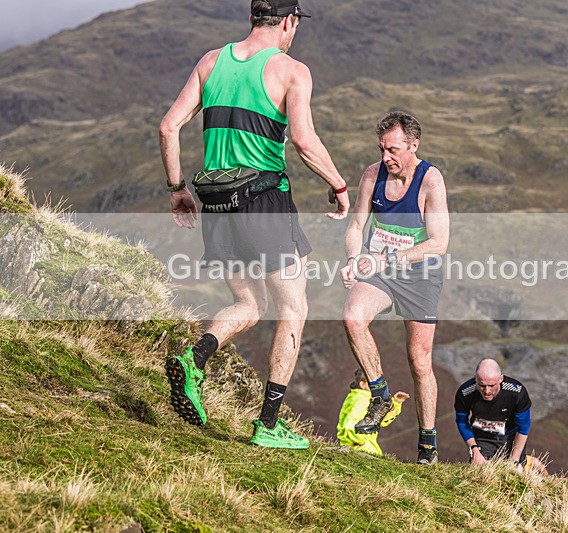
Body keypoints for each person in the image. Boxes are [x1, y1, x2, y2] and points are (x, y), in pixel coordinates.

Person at [158, 0, 350, 449]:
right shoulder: (290, 70)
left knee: (248, 304)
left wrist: (177, 189)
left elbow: (169, 128)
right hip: (264, 201)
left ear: (251, 18)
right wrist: (339, 186)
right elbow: (303, 141)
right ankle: (267, 425)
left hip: (217, 204)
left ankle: (195, 358)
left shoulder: (211, 61)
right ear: (288, 21)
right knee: (293, 309)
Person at [340, 111, 449, 465]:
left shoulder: (431, 180)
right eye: (381, 149)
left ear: (413, 146)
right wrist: (355, 260)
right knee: (353, 318)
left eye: (393, 150)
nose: (385, 158)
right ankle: (380, 394)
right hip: (381, 268)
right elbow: (357, 226)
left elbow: (439, 243)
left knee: (419, 362)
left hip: (419, 273)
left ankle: (428, 447)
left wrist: (386, 259)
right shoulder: (372, 175)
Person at [454, 359, 549, 476]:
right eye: (482, 385)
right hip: (482, 437)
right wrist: (474, 449)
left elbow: (523, 427)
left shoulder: (517, 392)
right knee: (482, 473)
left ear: (501, 379)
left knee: (515, 473)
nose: (487, 391)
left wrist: (514, 461)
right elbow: (461, 421)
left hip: (510, 436)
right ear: (475, 379)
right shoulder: (465, 393)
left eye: (492, 385)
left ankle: (529, 462)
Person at [337, 369, 410, 456]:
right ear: (362, 384)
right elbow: (351, 424)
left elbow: (381, 420)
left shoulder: (365, 399)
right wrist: (360, 441)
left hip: (362, 447)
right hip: (360, 449)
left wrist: (396, 403)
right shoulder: (362, 399)